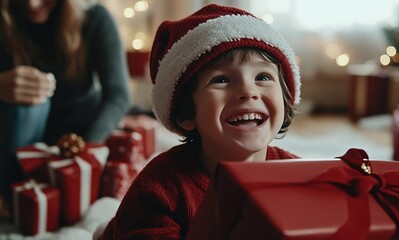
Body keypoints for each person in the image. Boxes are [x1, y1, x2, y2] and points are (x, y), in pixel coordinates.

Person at [100, 3, 301, 239]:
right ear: (187, 114)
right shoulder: (159, 187)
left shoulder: (296, 176)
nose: (248, 91)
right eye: (221, 80)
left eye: (263, 76)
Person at [0, 0, 131, 215]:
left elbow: (118, 95)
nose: (32, 4)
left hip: (82, 134)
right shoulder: (5, 22)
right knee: (28, 106)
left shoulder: (94, 19)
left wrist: (87, 147)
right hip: (19, 144)